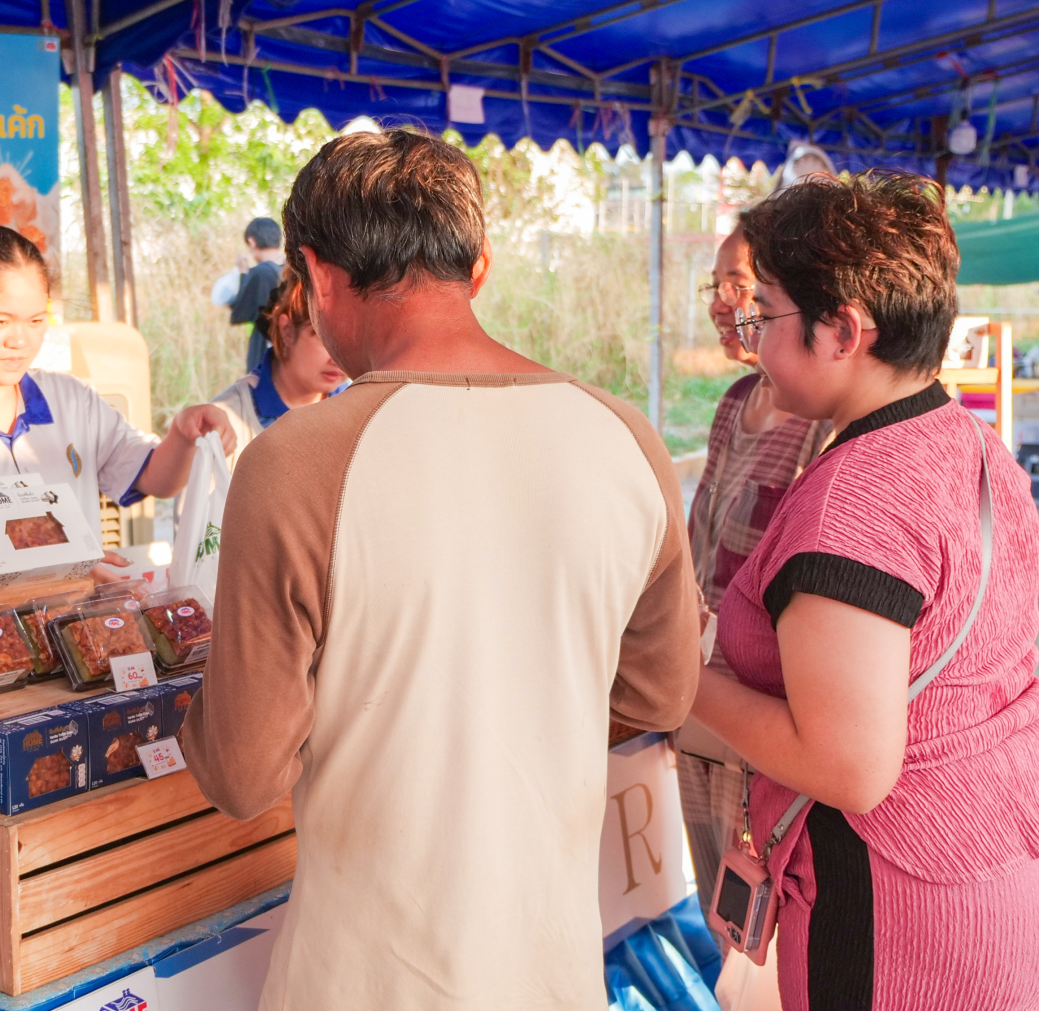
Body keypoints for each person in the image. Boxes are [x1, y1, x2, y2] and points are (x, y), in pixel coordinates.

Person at [179, 130, 701, 1010]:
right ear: (480, 267)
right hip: (554, 975)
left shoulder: (296, 461)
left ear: (318, 276)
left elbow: (242, 773)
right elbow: (661, 693)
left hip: (357, 984)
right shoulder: (626, 439)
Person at [691, 171, 1039, 1009]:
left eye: (763, 314)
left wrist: (680, 677)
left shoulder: (850, 502)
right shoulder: (973, 444)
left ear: (843, 330)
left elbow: (848, 768)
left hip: (920, 915)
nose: (749, 337)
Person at [0, 226, 235, 564]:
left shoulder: (70, 399)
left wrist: (183, 436)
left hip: (77, 613)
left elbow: (155, 478)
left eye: (36, 321)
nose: (19, 341)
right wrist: (63, 575)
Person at [678, 228, 831, 917]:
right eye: (714, 286)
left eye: (740, 286)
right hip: (701, 708)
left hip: (767, 732)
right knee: (723, 921)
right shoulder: (736, 401)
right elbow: (697, 551)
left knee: (768, 924)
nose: (722, 303)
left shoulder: (822, 427)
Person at [208, 269, 347, 466]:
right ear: (287, 330)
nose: (339, 359)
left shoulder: (358, 411)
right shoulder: (228, 419)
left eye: (352, 341)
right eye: (325, 339)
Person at [209, 217, 286, 371]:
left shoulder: (260, 273)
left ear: (252, 242)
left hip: (266, 351)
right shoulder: (293, 268)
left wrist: (244, 274)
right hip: (291, 349)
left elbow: (243, 310)